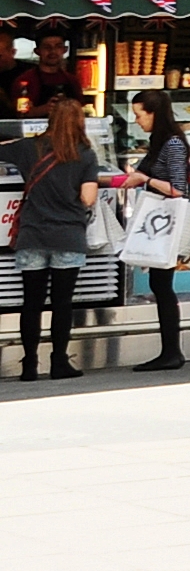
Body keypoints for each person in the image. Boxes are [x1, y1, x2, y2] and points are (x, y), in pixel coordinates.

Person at [8, 94, 97, 380]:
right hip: (68, 235)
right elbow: (88, 198)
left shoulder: (28, 148)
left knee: (31, 302)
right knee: (62, 303)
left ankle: (29, 365)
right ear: (80, 122)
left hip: (33, 234)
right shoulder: (85, 154)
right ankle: (59, 362)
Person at [123, 88, 190, 371]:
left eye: (140, 115)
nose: (137, 121)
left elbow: (178, 188)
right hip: (159, 222)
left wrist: (146, 180)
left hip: (167, 221)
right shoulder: (159, 141)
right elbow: (140, 174)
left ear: (154, 113)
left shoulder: (173, 144)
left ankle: (171, 351)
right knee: (160, 285)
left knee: (162, 286)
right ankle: (170, 350)